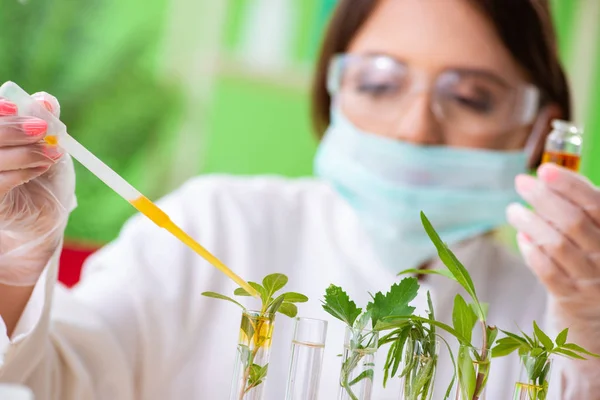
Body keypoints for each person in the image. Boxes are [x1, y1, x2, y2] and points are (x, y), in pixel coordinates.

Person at [0, 0, 599, 398]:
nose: (416, 127)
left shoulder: (552, 320)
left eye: (470, 97)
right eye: (380, 83)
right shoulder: (218, 225)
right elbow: (48, 377)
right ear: (335, 90)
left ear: (538, 131)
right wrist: (14, 270)